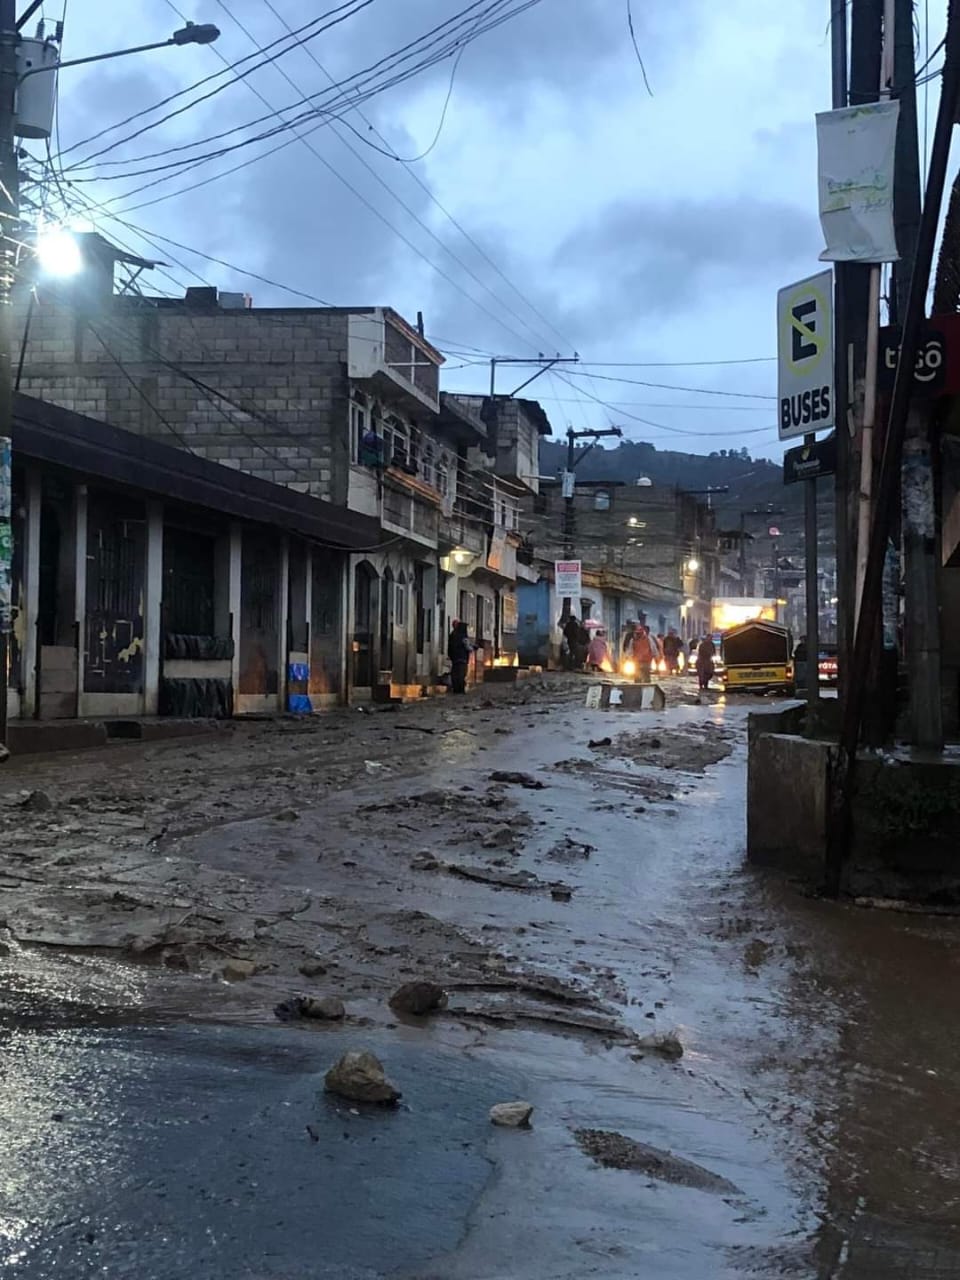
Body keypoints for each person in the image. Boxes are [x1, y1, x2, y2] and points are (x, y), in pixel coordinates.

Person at [448, 620, 472, 694]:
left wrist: (451, 655)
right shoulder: (463, 636)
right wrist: (473, 648)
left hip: (455, 658)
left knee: (455, 674)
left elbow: (450, 646)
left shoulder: (452, 635)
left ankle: (455, 688)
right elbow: (467, 647)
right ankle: (460, 689)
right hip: (463, 658)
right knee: (461, 674)